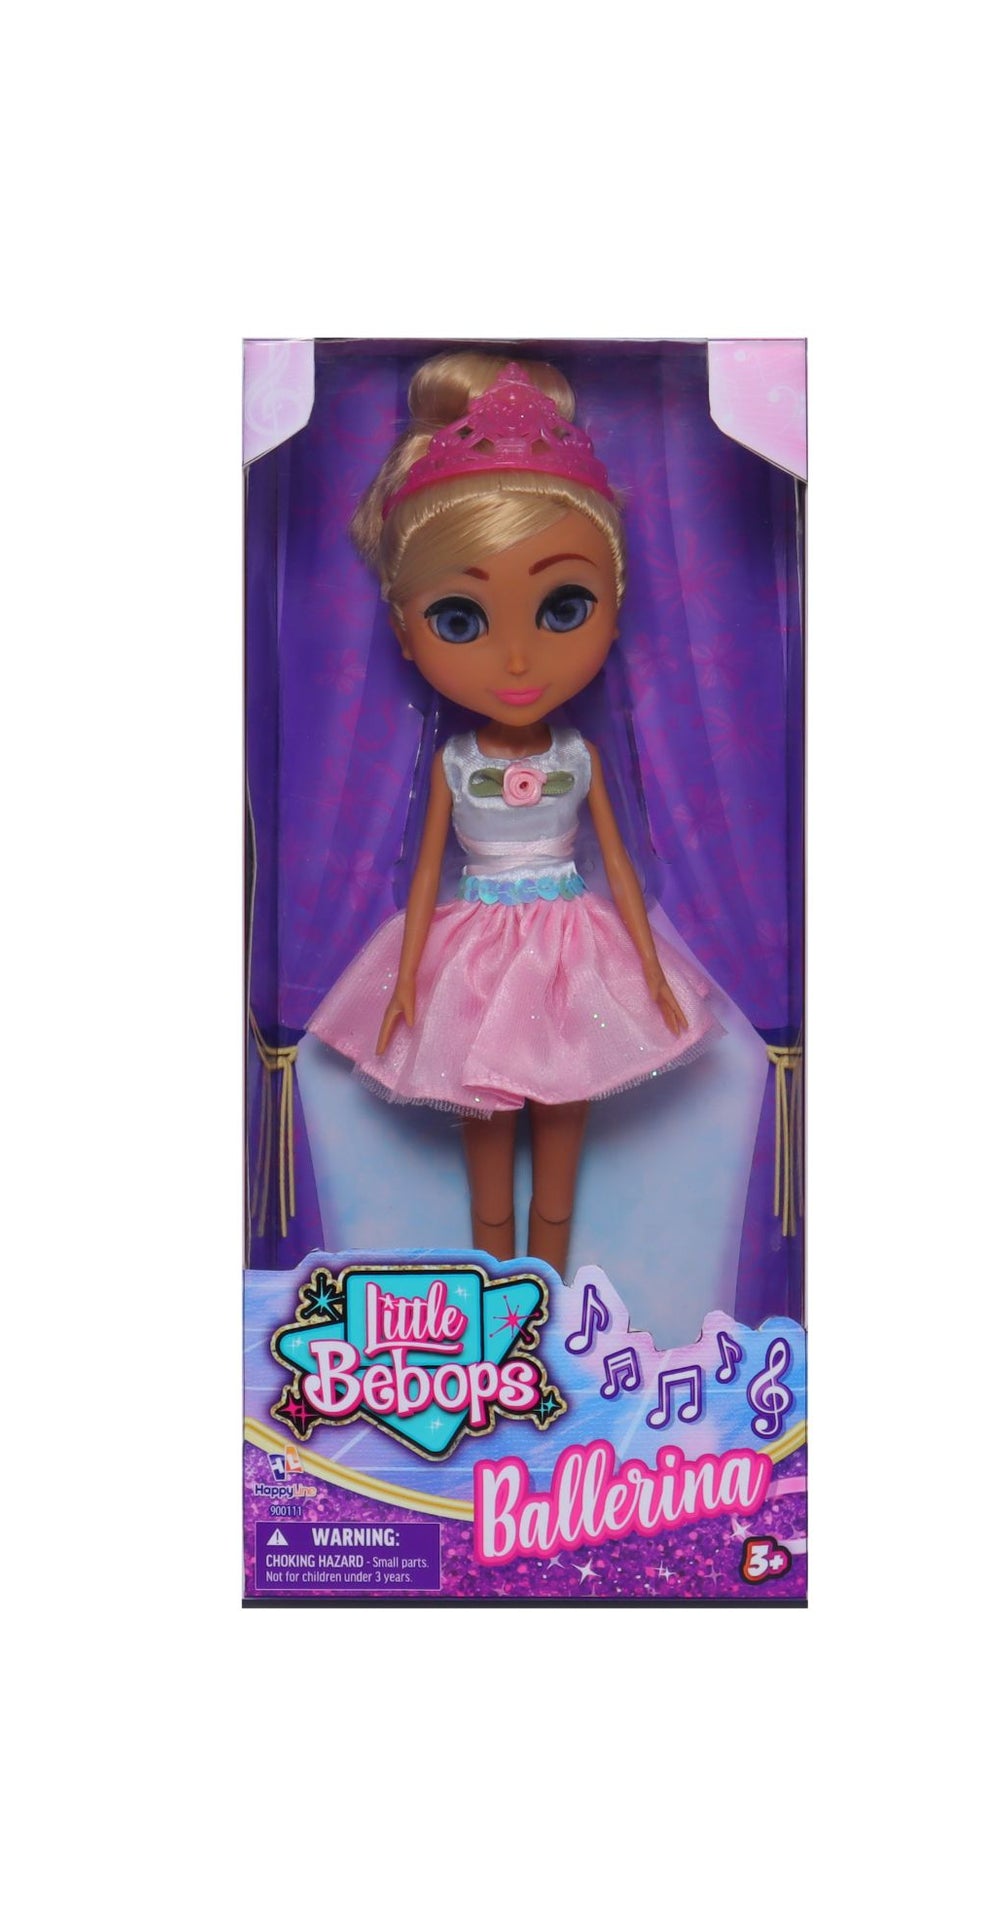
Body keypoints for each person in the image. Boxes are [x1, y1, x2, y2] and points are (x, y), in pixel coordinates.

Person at [307, 353, 726, 1277]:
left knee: (562, 1153)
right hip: (477, 957)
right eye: (460, 619)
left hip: (574, 951)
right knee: (488, 1158)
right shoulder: (458, 763)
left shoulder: (577, 755)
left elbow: (620, 863)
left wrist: (651, 969)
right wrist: (406, 979)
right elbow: (427, 871)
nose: (518, 660)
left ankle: (555, 1312)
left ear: (615, 604)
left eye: (563, 606)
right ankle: (497, 1312)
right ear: (405, 628)